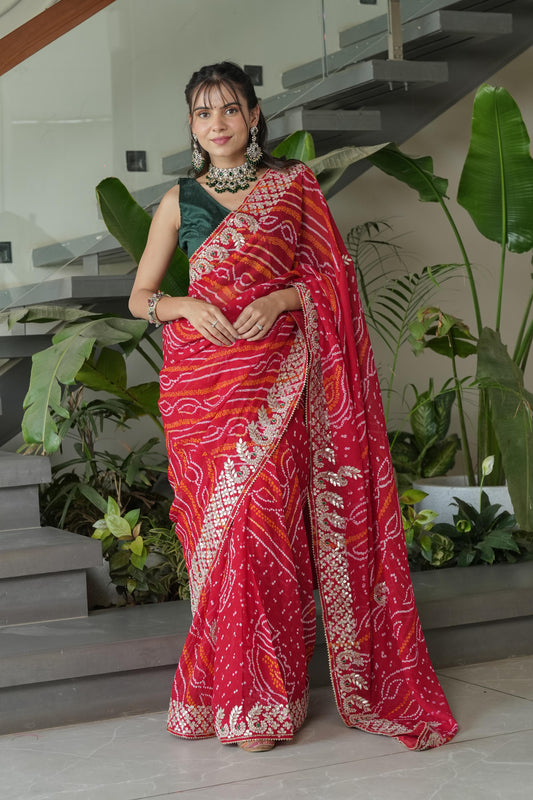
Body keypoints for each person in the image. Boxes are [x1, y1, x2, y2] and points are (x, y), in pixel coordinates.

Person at [128, 61, 458, 754]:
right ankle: (217, 692)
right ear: (190, 126)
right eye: (201, 112)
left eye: (228, 109)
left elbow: (330, 275)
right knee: (214, 545)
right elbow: (141, 298)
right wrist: (183, 302)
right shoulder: (177, 199)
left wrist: (282, 299)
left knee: (265, 534)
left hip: (277, 380)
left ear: (254, 116)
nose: (215, 122)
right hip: (198, 391)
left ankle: (264, 702)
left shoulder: (292, 188)